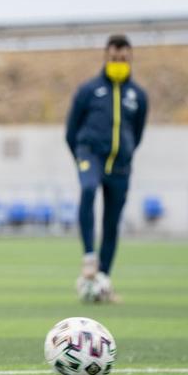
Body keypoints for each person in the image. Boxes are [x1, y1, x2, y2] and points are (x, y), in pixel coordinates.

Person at [66, 34, 148, 302]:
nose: (119, 62)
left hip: (120, 165)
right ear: (106, 56)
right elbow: (71, 129)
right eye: (114, 58)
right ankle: (89, 256)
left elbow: (137, 133)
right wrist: (81, 154)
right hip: (90, 154)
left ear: (130, 58)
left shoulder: (138, 95)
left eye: (123, 59)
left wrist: (125, 153)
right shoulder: (88, 90)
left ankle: (103, 281)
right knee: (88, 188)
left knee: (112, 223)